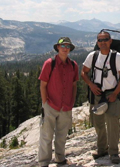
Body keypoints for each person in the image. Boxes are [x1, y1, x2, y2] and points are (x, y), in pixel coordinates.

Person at [81, 31, 120, 164]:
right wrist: (90, 85)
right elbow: (84, 72)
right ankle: (102, 149)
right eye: (100, 40)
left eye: (105, 39)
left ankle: (113, 152)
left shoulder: (117, 57)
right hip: (96, 94)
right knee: (98, 124)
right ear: (97, 42)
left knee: (113, 124)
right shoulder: (93, 56)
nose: (103, 42)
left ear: (110, 41)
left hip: (111, 94)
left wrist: (115, 94)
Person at [38, 37, 78, 167]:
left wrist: (72, 102)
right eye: (63, 46)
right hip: (51, 105)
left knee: (62, 136)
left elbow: (74, 85)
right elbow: (43, 85)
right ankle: (44, 162)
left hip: (66, 106)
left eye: (68, 46)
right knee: (46, 136)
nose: (65, 49)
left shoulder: (73, 65)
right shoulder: (49, 63)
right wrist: (45, 103)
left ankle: (60, 159)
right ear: (58, 47)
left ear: (70, 49)